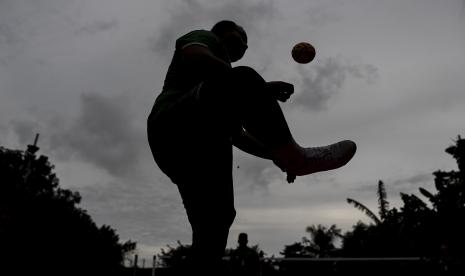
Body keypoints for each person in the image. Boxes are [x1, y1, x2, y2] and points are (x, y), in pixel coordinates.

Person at [147, 20, 356, 275]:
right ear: (226, 31)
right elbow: (194, 55)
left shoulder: (223, 95)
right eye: (243, 38)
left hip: (197, 149)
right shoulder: (206, 38)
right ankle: (298, 158)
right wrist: (257, 88)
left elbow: (237, 136)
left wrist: (276, 157)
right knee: (243, 76)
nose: (246, 46)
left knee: (217, 221)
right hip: (174, 121)